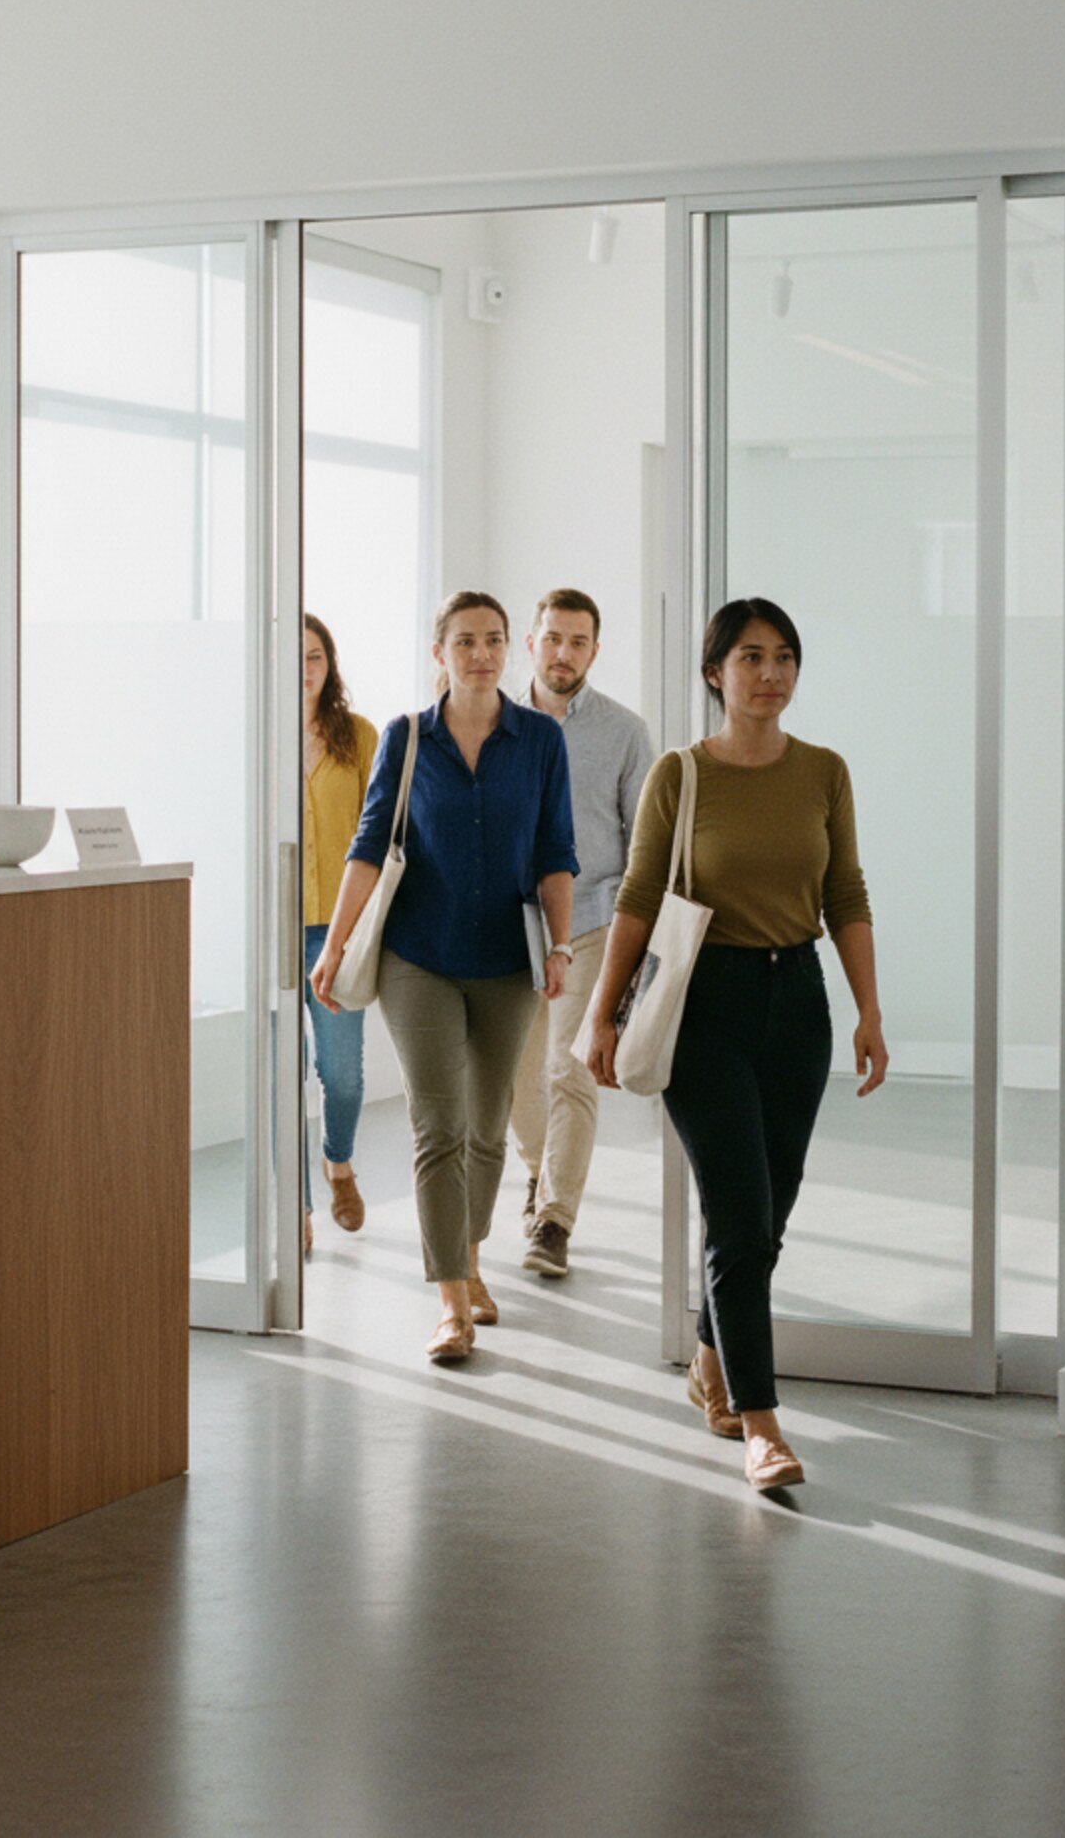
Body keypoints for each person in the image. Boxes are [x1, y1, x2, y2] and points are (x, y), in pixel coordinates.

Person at [585, 599, 886, 1493]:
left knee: (767, 1212)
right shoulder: (680, 774)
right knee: (739, 1206)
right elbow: (638, 896)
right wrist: (601, 1014)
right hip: (703, 1003)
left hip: (798, 1003)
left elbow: (848, 894)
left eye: (785, 657)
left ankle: (712, 1358)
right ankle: (762, 1423)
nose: (771, 674)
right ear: (715, 672)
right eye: (751, 657)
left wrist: (868, 1010)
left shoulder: (825, 771)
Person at [311, 592, 578, 1364]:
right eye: (465, 641)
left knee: (487, 1129)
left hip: (506, 961)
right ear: (440, 653)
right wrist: (336, 943)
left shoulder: (539, 742)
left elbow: (556, 850)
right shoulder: (406, 737)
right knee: (438, 1127)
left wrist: (560, 948)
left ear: (510, 649)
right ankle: (453, 1303)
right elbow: (369, 846)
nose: (482, 654)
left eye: (494, 640)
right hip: (416, 957)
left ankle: (468, 1252)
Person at [508, 589, 654, 1279]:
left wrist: (636, 954)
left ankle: (554, 1221)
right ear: (531, 642)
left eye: (578, 641)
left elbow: (646, 850)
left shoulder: (625, 733)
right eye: (552, 638)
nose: (563, 652)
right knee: (512, 1078)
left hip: (593, 920)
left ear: (595, 651)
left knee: (568, 1071)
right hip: (510, 925)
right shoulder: (494, 723)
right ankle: (540, 1176)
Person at [301, 614, 380, 1258]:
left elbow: (378, 837)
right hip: (272, 929)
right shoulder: (255, 735)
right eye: (293, 657)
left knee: (343, 1074)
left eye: (315, 656)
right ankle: (294, 1205)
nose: (304, 669)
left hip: (339, 932)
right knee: (280, 1075)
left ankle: (339, 1164)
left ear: (330, 665)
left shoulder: (359, 738)